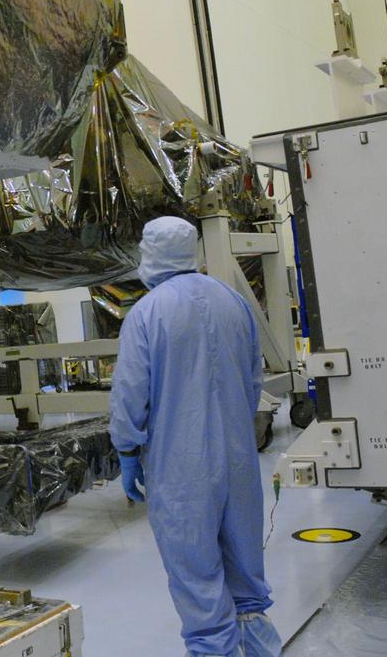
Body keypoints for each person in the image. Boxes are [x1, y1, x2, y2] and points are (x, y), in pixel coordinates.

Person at [109, 217, 281, 657]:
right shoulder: (233, 302)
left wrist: (128, 448)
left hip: (180, 466)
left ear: (150, 254)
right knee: (244, 564)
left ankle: (214, 649)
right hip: (238, 459)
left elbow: (131, 393)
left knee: (196, 572)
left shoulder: (147, 313)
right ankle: (260, 647)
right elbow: (252, 380)